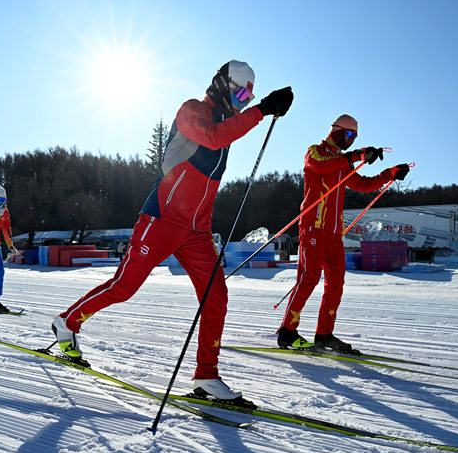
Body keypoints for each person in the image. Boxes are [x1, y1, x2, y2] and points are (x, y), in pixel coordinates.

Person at [51, 60, 294, 400]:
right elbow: (211, 138)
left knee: (216, 297)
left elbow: (223, 138)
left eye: (248, 99)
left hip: (197, 231)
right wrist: (262, 110)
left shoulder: (229, 123)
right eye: (240, 94)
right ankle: (68, 321)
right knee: (124, 287)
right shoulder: (192, 110)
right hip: (162, 219)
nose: (243, 103)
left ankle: (206, 377)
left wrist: (260, 111)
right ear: (221, 85)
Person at [276, 114, 410, 354]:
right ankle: (287, 331)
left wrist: (390, 173)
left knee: (336, 282)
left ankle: (324, 334)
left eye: (355, 137)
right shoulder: (316, 151)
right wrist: (356, 155)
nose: (351, 139)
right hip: (313, 227)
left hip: (334, 233)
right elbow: (318, 166)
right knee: (309, 278)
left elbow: (364, 184)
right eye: (348, 134)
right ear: (336, 131)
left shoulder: (343, 162)